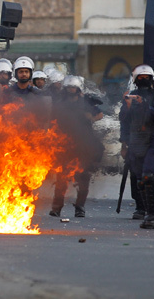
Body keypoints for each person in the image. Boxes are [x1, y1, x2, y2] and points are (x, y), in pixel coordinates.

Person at [119, 65, 154, 229]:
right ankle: (146, 210)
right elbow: (124, 120)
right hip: (135, 139)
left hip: (153, 139)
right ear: (135, 79)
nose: (143, 79)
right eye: (140, 77)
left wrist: (145, 104)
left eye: (147, 76)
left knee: (149, 175)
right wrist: (124, 144)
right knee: (139, 179)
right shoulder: (130, 96)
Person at [49, 75, 104, 218]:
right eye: (68, 87)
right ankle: (56, 207)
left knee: (83, 177)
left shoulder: (86, 102)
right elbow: (52, 120)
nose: (71, 90)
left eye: (73, 87)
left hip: (83, 144)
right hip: (65, 144)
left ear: (78, 88)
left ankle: (80, 207)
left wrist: (90, 117)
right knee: (61, 177)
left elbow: (100, 114)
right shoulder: (60, 103)